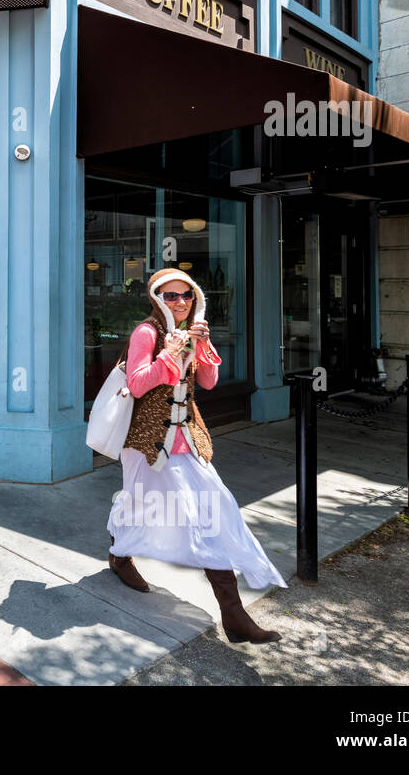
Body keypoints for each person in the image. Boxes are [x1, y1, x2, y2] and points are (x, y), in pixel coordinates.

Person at [106, 267, 285, 644]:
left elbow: (206, 382)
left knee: (210, 515)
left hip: (187, 439)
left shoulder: (192, 331)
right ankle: (120, 556)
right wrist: (169, 353)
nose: (180, 302)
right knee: (141, 503)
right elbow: (137, 384)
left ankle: (234, 617)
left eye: (186, 295)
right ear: (157, 298)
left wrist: (199, 346)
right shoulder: (147, 332)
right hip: (148, 441)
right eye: (170, 296)